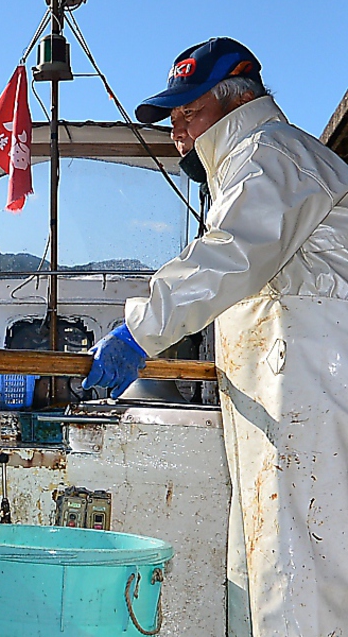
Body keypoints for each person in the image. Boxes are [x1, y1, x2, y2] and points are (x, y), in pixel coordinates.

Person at [84, 36, 348, 637]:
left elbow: (229, 256)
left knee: (302, 575)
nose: (178, 132)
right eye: (174, 118)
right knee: (269, 571)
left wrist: (138, 331)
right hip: (288, 405)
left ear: (239, 101)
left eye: (190, 113)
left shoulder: (272, 153)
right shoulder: (257, 164)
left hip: (317, 395)